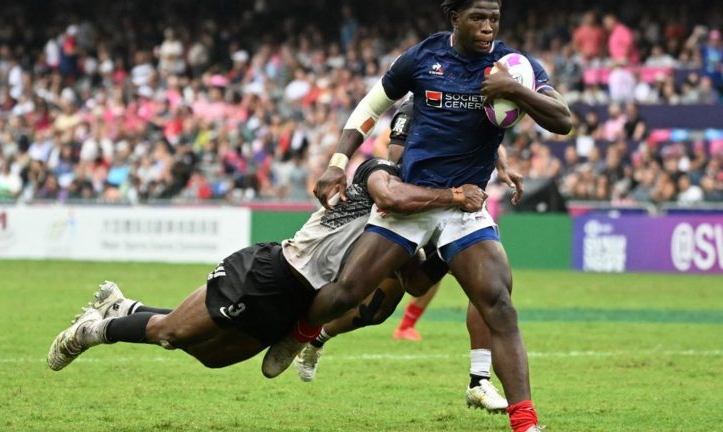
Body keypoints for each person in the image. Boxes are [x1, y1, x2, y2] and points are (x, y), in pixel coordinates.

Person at [262, 1, 571, 431]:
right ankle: (301, 333)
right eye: (477, 18)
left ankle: (524, 421)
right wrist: (337, 161)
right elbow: (370, 108)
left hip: (466, 207)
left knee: (498, 302)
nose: (487, 27)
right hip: (412, 200)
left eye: (494, 19)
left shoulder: (514, 66)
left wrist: (516, 91)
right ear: (454, 19)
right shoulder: (423, 58)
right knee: (351, 292)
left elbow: (563, 121)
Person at [46, 156, 488, 373]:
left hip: (307, 301)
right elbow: (391, 197)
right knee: (172, 333)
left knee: (209, 356)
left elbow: (412, 283)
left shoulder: (429, 214)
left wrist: (450, 250)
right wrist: (454, 198)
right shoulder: (382, 171)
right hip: (277, 273)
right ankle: (92, 330)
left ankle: (123, 307)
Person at [293, 98, 511, 413]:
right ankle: (316, 338)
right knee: (381, 307)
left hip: (458, 212)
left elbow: (489, 134)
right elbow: (397, 159)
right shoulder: (416, 105)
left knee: (485, 284)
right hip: (413, 208)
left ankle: (479, 381)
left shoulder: (467, 102)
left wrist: (501, 163)